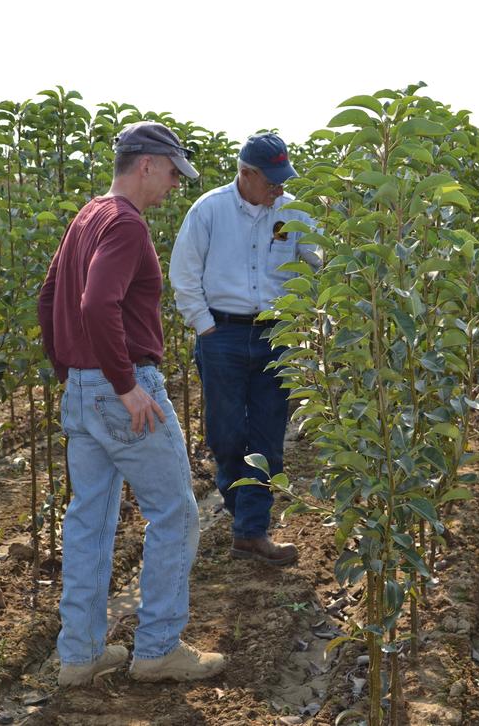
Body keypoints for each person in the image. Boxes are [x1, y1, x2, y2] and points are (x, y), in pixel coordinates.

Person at [38, 121, 225, 687]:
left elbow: (50, 300)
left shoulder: (88, 216)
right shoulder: (125, 225)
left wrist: (71, 373)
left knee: (89, 522)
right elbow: (97, 304)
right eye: (172, 173)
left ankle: (79, 655)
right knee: (176, 513)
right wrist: (121, 383)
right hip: (123, 391)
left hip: (81, 390)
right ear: (146, 164)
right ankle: (158, 649)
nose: (174, 185)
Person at [169, 132, 319, 567]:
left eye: (282, 180)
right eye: (270, 180)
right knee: (227, 435)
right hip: (224, 335)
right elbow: (184, 273)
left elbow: (320, 257)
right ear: (245, 174)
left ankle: (252, 531)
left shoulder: (291, 210)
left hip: (277, 335)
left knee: (269, 436)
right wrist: (205, 327)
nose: (278, 188)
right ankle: (244, 516)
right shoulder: (209, 210)